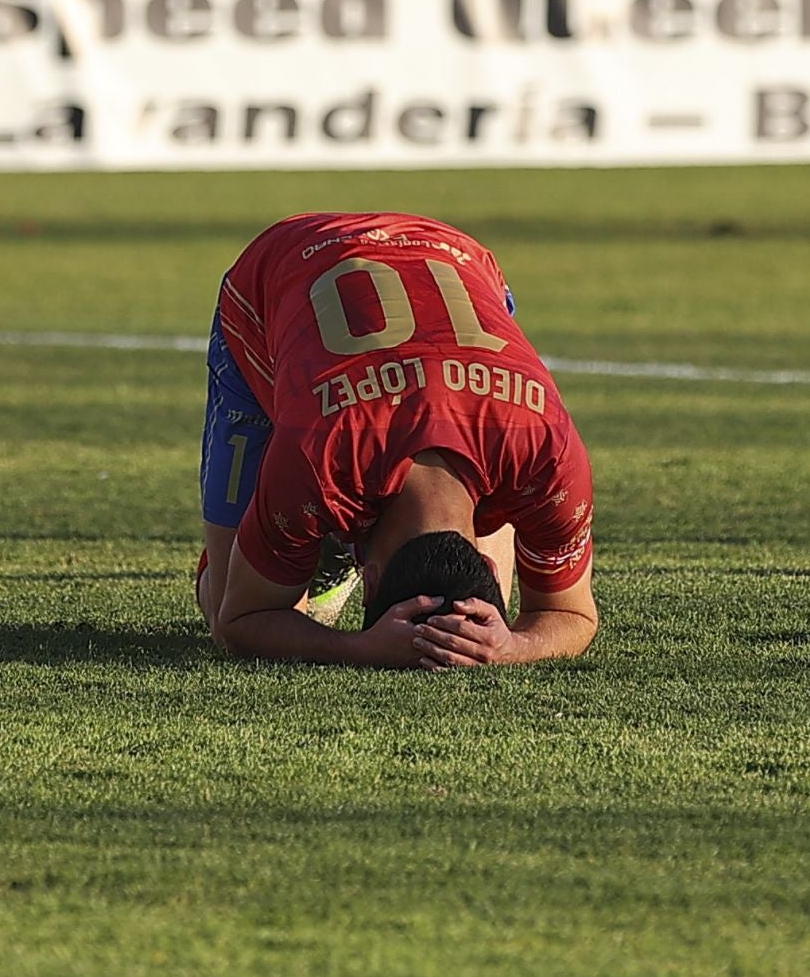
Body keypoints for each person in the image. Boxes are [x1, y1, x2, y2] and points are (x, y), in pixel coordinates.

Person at [197, 213, 599, 669]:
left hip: (456, 256)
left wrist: (511, 645)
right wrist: (358, 648)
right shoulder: (317, 462)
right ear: (369, 582)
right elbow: (238, 619)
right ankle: (323, 542)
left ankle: (319, 538)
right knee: (221, 597)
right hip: (276, 272)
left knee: (481, 617)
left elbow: (570, 615)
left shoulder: (547, 454)